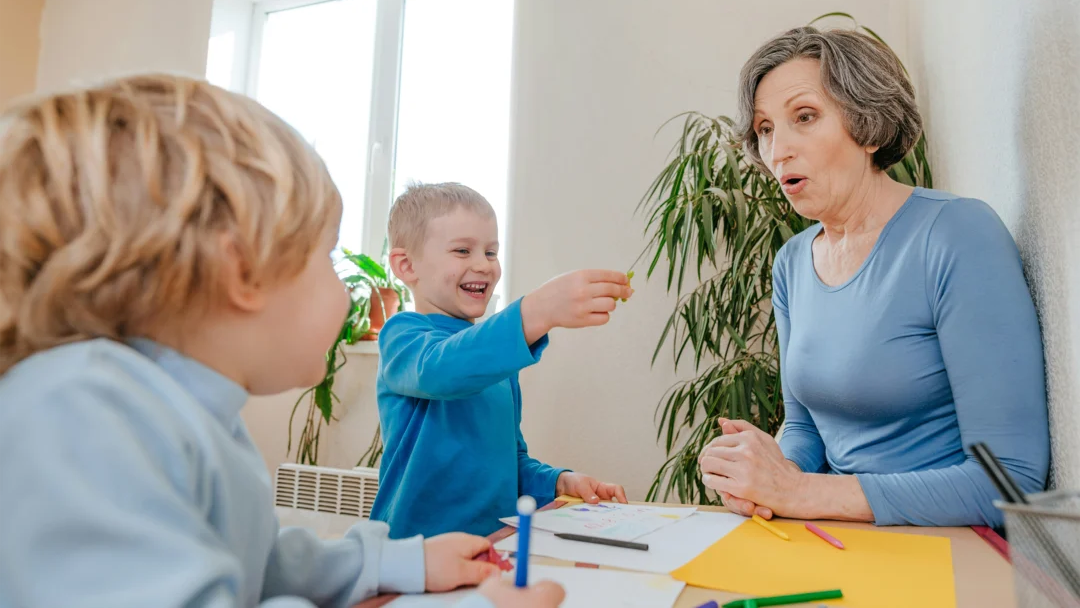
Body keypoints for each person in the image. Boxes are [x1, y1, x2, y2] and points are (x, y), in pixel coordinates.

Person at [0, 76, 562, 608]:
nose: (348, 297)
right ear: (242, 272)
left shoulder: (198, 418)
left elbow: (264, 564)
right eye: (325, 261)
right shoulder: (80, 412)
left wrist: (398, 563)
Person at [698, 27, 1050, 528]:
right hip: (841, 536)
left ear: (867, 125)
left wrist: (799, 490)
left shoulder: (956, 235)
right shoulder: (792, 263)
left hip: (950, 546)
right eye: (765, 129)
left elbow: (1009, 479)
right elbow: (805, 427)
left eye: (805, 117)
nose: (778, 152)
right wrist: (769, 473)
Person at [371, 182, 631, 539]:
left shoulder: (499, 362)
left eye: (491, 253)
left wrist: (558, 481)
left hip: (491, 548)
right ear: (406, 265)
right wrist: (535, 311)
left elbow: (509, 462)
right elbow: (440, 371)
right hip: (417, 552)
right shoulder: (403, 336)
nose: (484, 265)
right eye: (463, 250)